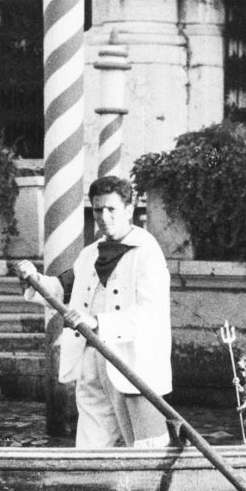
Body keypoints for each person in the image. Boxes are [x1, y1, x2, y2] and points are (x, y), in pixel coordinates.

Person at [54, 174, 174, 448]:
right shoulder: (90, 253)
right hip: (92, 358)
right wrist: (33, 279)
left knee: (146, 446)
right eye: (98, 209)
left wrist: (97, 322)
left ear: (129, 210)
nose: (103, 216)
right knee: (90, 445)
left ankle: (152, 489)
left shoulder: (147, 253)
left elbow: (149, 314)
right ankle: (90, 482)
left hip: (132, 362)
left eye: (111, 209)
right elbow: (65, 287)